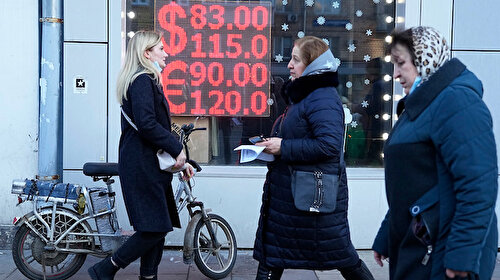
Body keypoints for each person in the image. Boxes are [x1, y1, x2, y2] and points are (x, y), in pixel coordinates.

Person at [372, 26, 498, 280]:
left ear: (425, 60)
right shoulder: (421, 104)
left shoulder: (457, 101)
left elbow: (478, 185)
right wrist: (387, 233)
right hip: (418, 243)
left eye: (401, 64)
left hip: (443, 250)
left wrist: (462, 255)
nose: (395, 74)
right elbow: (412, 182)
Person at [253, 36, 374, 280]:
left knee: (343, 257)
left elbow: (329, 145)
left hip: (307, 195)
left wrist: (283, 147)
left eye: (295, 60)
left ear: (312, 66)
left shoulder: (321, 97)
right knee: (273, 257)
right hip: (289, 194)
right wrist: (273, 145)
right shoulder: (305, 95)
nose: (289, 65)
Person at [88, 30, 194, 280]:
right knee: (154, 228)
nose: (166, 53)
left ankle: (148, 276)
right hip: (142, 166)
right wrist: (176, 148)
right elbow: (147, 124)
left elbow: (151, 126)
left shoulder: (141, 80)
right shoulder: (143, 81)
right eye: (161, 49)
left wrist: (182, 158)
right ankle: (106, 269)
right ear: (147, 53)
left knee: (155, 227)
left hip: (146, 165)